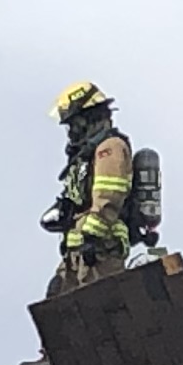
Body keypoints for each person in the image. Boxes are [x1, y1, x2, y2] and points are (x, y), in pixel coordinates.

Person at [41, 80, 142, 294]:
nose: (71, 132)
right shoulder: (86, 156)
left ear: (86, 118)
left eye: (73, 124)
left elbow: (110, 194)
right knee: (58, 303)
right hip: (78, 251)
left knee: (100, 305)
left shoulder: (110, 147)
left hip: (102, 248)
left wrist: (93, 236)